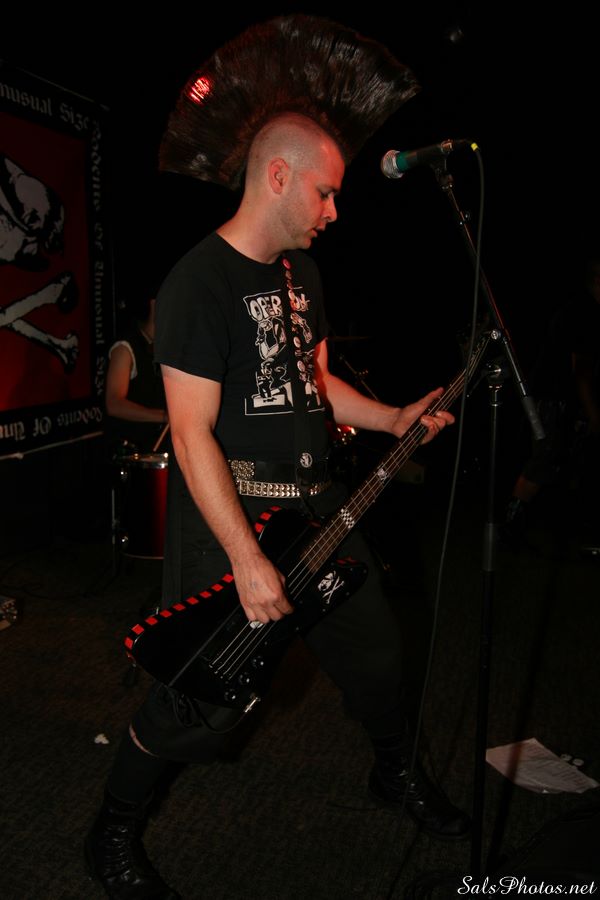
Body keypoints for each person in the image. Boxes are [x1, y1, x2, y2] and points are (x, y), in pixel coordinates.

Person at [86, 16, 470, 899]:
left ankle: (393, 771)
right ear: (279, 176)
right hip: (234, 519)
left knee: (378, 658)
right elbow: (190, 433)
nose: (335, 211)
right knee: (201, 703)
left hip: (319, 509)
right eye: (326, 193)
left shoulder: (305, 276)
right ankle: (111, 831)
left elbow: (315, 383)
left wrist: (393, 416)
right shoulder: (198, 282)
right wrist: (247, 558)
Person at [502, 255, 600, 549]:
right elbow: (581, 372)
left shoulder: (582, 309)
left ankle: (548, 526)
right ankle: (510, 526)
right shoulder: (584, 312)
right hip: (551, 400)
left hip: (553, 398)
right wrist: (593, 413)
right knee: (544, 459)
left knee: (558, 461)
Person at [104, 295, 168, 458]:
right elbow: (114, 404)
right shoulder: (125, 347)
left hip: (156, 449)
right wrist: (165, 416)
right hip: (130, 453)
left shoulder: (164, 346)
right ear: (155, 305)